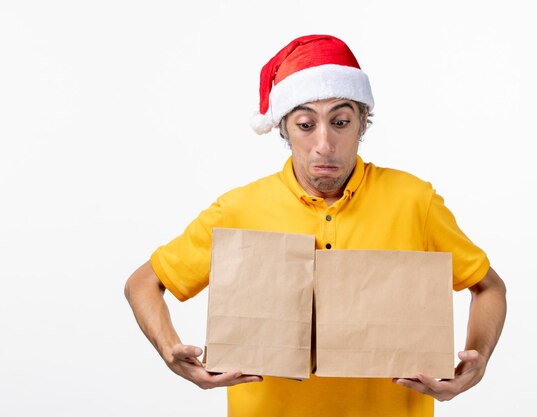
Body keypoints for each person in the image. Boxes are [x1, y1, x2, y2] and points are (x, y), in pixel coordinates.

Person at [124, 34, 507, 417]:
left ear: (362, 124)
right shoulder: (240, 208)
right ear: (284, 129)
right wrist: (170, 351)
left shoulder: (413, 201)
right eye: (306, 124)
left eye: (340, 122)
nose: (324, 143)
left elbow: (488, 286)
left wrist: (477, 363)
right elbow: (143, 283)